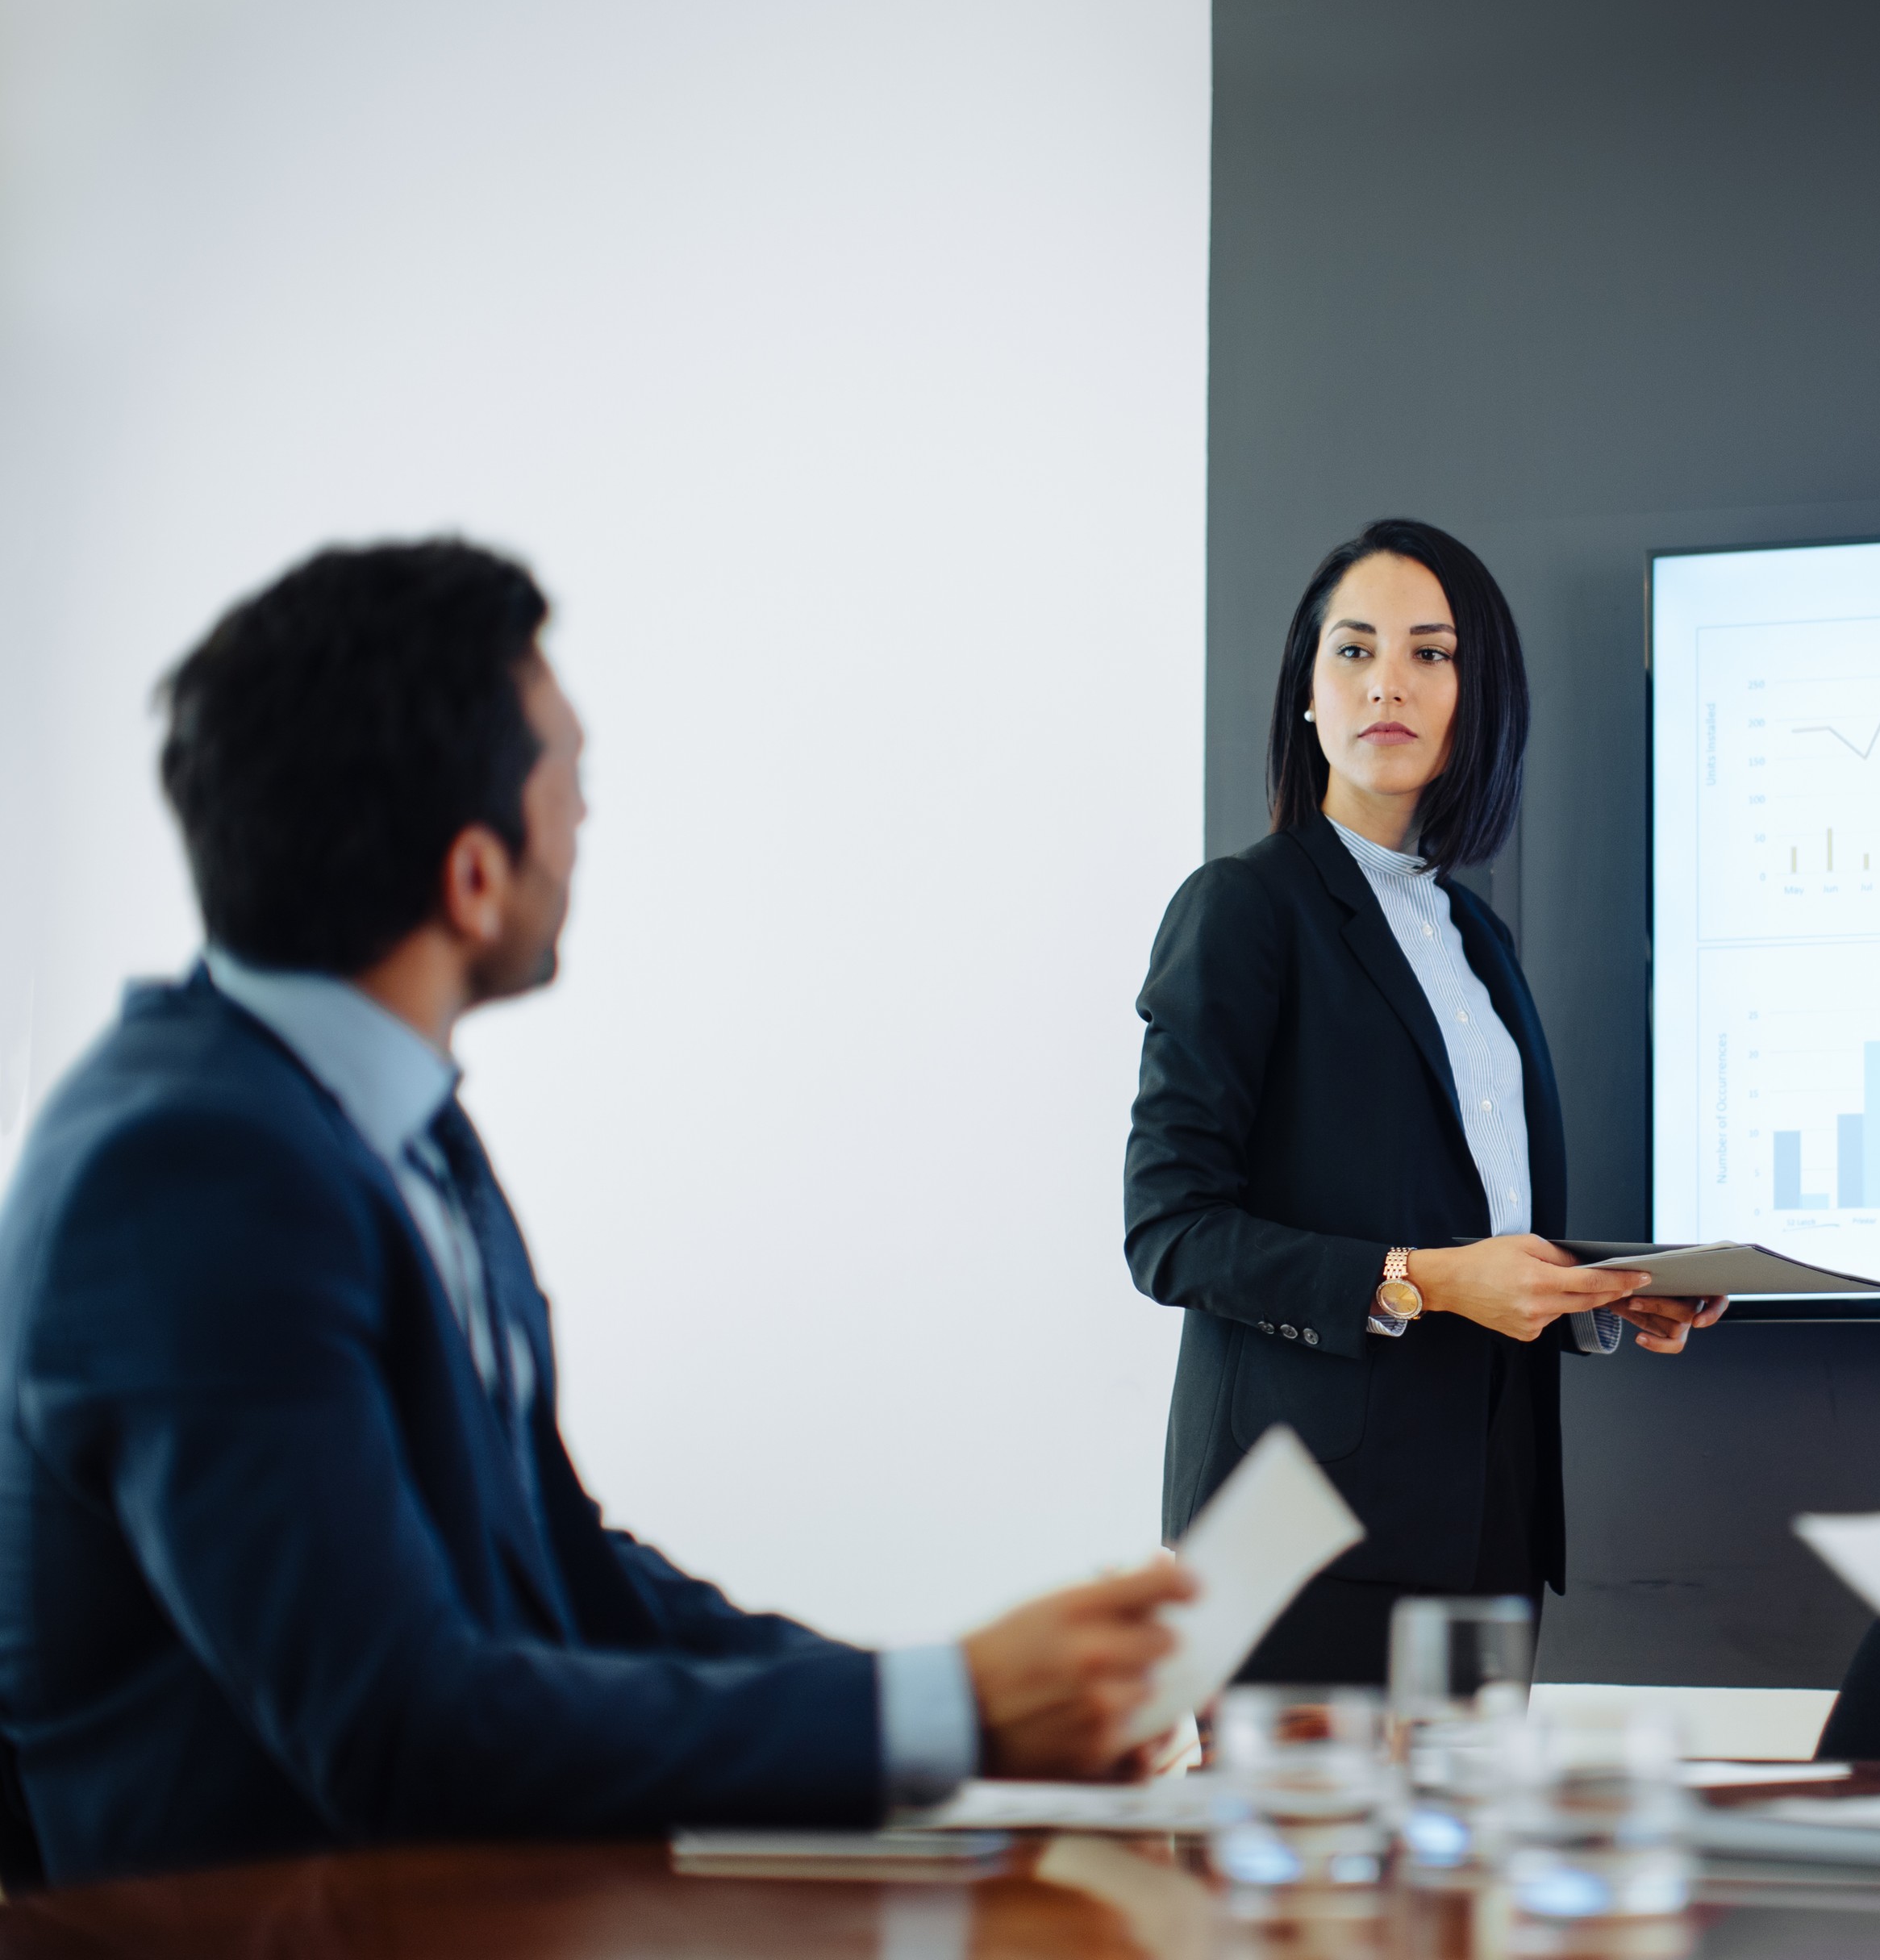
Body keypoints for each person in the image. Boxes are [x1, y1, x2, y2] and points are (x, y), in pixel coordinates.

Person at [0, 542, 1192, 1890]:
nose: (587, 819)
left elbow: (565, 1571)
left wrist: (961, 1710)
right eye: (570, 775)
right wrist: (950, 1710)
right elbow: (403, 1730)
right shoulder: (185, 1173)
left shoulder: (394, 1126)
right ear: (473, 875)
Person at [1126, 519, 1724, 1682]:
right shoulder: (1244, 910)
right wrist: (1434, 1279)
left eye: (1430, 655)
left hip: (1485, 1525)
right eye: (1352, 651)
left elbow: (1483, 1229)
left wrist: (1596, 1300)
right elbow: (1171, 1234)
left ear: (1476, 699)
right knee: (1302, 1870)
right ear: (1306, 693)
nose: (1386, 683)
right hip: (1297, 1535)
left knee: (1457, 1873)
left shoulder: (1475, 938)